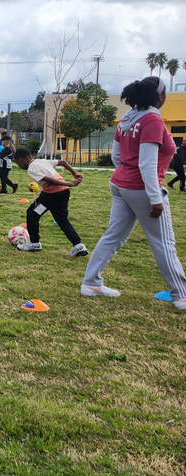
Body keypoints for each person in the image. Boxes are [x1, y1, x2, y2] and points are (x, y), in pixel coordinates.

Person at [81, 76, 186, 308]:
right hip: (142, 189)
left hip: (121, 185)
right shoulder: (152, 121)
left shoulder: (126, 120)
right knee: (164, 243)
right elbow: (147, 164)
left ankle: (91, 283)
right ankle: (182, 295)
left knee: (113, 236)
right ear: (159, 96)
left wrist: (128, 176)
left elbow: (116, 157)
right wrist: (155, 197)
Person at [13, 148, 88, 256]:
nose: (19, 166)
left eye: (18, 163)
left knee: (32, 213)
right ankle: (78, 245)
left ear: (20, 160)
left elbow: (50, 180)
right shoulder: (41, 161)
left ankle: (34, 243)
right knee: (62, 219)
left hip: (52, 194)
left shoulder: (31, 168)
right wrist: (74, 173)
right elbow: (63, 162)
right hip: (64, 193)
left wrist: (69, 183)